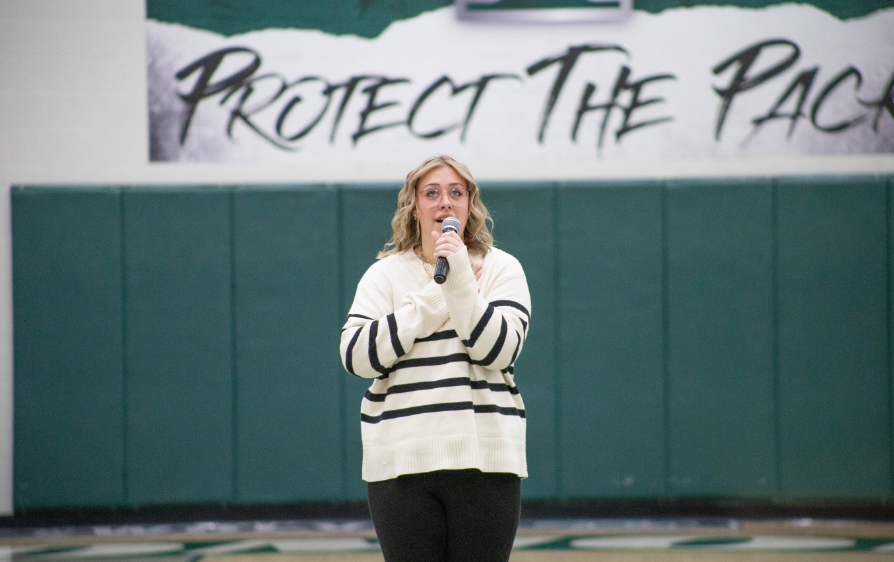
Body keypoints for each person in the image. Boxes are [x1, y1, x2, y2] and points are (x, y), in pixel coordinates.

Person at [339, 155, 532, 562]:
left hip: (486, 464)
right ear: (414, 207)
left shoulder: (502, 269)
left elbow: (498, 350)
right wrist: (429, 303)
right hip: (401, 465)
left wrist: (460, 280)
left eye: (456, 193)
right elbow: (357, 357)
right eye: (432, 193)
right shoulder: (384, 275)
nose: (445, 202)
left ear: (469, 206)